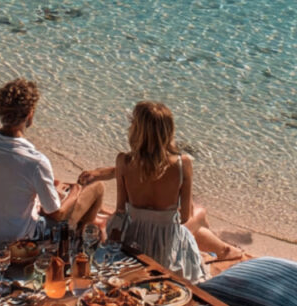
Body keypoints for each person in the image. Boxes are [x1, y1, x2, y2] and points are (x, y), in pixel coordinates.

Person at [80, 101, 241, 281]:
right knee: (199, 213)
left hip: (134, 239)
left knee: (197, 216)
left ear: (137, 131)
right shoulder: (183, 163)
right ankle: (225, 250)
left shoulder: (123, 161)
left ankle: (223, 250)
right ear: (168, 131)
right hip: (165, 247)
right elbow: (185, 217)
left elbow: (120, 210)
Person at [0, 78, 104, 250]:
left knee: (47, 189)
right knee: (97, 188)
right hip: (15, 239)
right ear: (30, 114)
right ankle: (80, 245)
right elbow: (57, 214)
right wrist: (76, 191)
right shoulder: (35, 161)